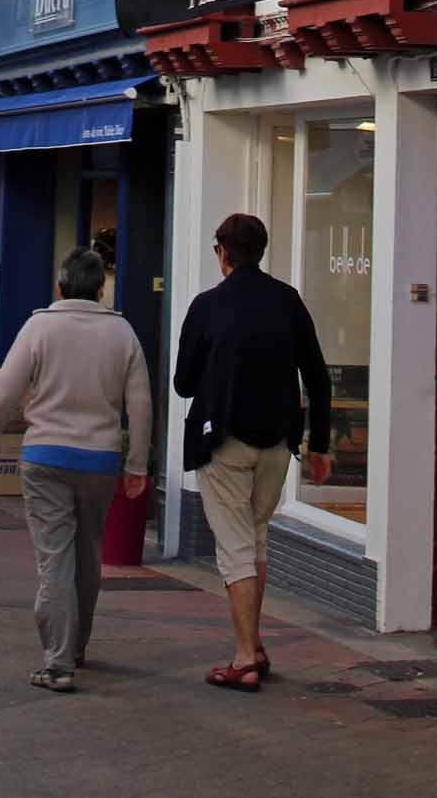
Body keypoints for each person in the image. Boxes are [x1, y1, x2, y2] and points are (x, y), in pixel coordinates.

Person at [0, 245, 152, 695]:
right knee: (88, 555)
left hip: (46, 458)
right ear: (100, 288)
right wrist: (137, 464)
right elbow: (142, 404)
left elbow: (3, 393)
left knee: (55, 558)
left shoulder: (39, 327)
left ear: (60, 286)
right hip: (100, 461)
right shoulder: (123, 333)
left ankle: (57, 662)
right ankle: (77, 646)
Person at [174, 212, 333, 692]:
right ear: (260, 251)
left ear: (222, 253)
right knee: (257, 537)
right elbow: (319, 377)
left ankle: (243, 657)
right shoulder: (287, 301)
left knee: (235, 548)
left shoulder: (207, 306)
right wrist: (319, 445)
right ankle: (256, 644)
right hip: (278, 441)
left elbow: (183, 381)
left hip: (223, 437)